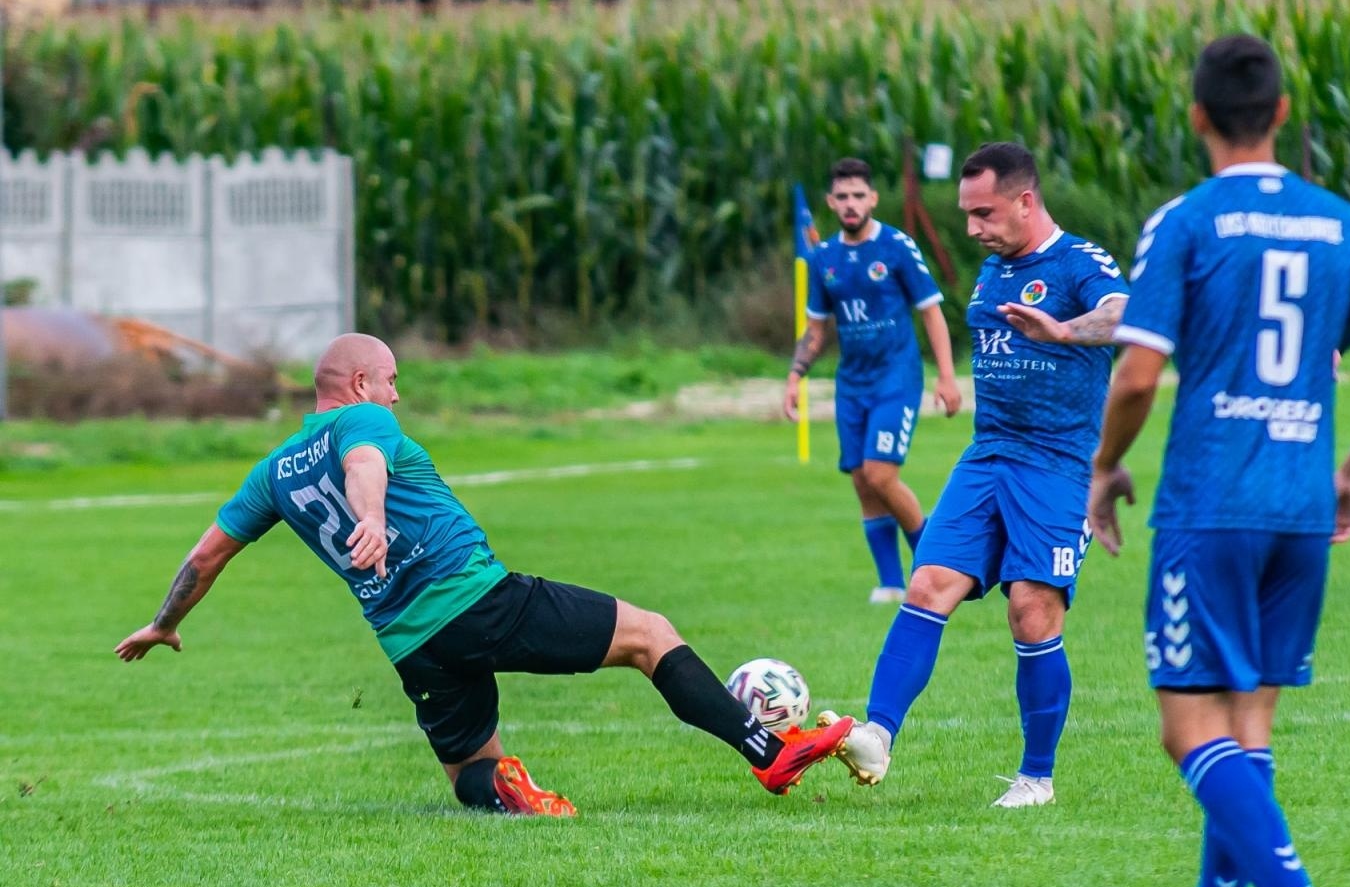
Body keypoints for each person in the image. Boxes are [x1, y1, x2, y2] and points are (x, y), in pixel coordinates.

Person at [115, 333, 854, 815]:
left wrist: (165, 622)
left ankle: (503, 789)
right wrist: (370, 516)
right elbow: (364, 464)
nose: (398, 395)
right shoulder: (363, 422)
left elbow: (206, 554)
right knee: (648, 635)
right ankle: (771, 752)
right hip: (475, 600)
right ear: (362, 380)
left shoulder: (273, 471)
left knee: (468, 769)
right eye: (393, 381)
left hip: (410, 644)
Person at [1087, 36, 1350, 887]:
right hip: (1300, 506)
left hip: (1210, 504)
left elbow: (1139, 372)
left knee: (1188, 731)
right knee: (1248, 730)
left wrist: (1104, 467)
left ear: (1198, 118)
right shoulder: (1341, 224)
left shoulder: (1186, 223)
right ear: (1281, 115)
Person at [819, 142, 1130, 808]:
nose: (971, 229)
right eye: (965, 214)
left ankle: (1036, 778)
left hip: (1058, 463)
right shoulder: (993, 272)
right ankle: (877, 734)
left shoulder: (1079, 262)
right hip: (988, 454)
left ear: (1025, 200)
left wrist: (1065, 332)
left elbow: (1123, 315)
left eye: (983, 212)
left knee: (1031, 610)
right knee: (928, 582)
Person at [786, 158, 963, 604]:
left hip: (896, 379)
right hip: (852, 385)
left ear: (873, 199)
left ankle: (933, 570)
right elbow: (816, 329)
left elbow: (931, 311)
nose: (850, 204)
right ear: (831, 202)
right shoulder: (823, 258)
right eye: (842, 197)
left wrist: (945, 375)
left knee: (881, 475)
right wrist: (793, 377)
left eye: (858, 195)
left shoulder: (897, 247)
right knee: (863, 483)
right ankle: (890, 583)